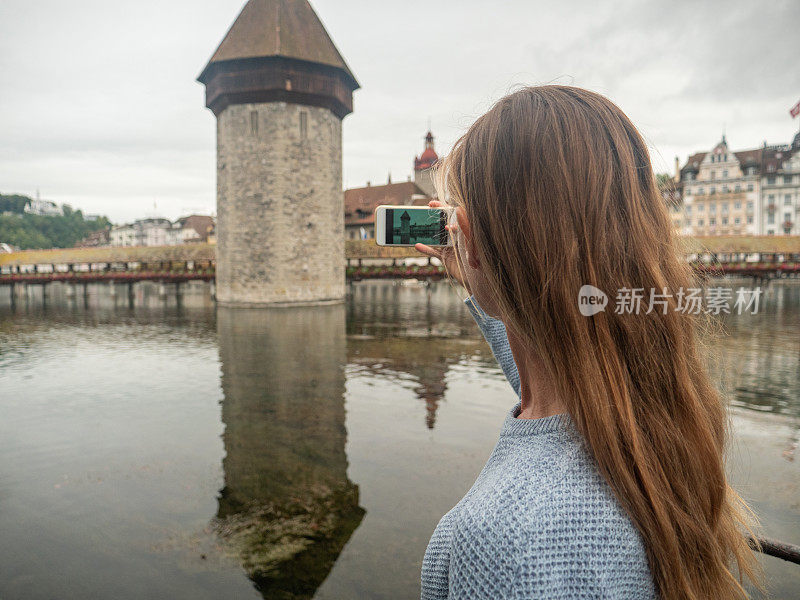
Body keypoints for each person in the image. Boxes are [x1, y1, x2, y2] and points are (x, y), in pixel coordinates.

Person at [414, 85, 760, 600]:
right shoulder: (653, 414)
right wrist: (478, 267)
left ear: (470, 237)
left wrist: (482, 264)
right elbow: (549, 349)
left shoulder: (503, 543)